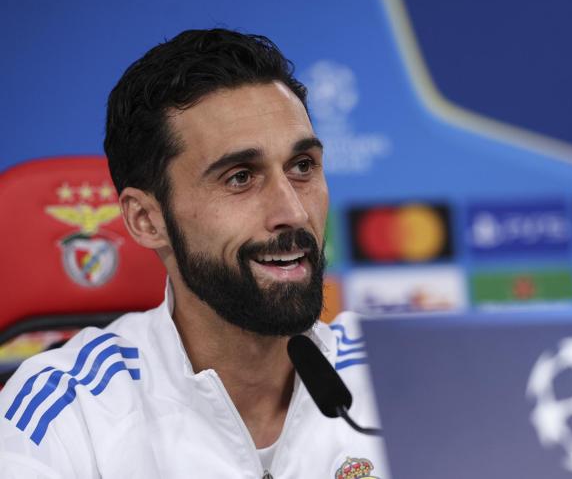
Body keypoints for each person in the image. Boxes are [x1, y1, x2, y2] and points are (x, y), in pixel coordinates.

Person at [0, 28, 388, 479]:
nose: (294, 212)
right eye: (240, 177)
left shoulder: (405, 378)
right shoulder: (67, 414)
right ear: (147, 220)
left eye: (302, 167)